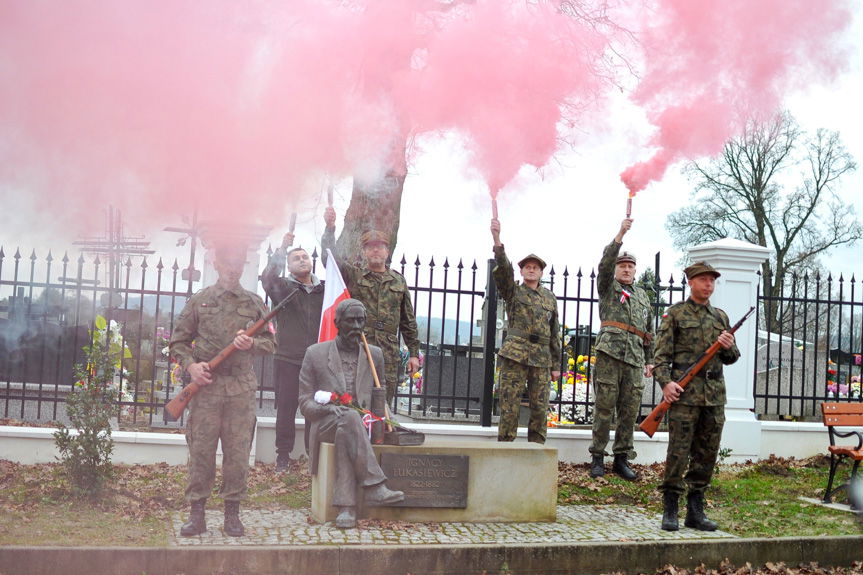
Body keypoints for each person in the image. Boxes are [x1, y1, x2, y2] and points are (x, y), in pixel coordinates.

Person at [170, 244, 277, 537]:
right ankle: (197, 514)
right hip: (206, 388)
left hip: (240, 388)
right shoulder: (200, 300)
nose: (233, 268)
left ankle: (232, 514)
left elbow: (271, 343)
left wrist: (252, 343)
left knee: (238, 453)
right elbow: (178, 342)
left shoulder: (254, 302)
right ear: (216, 264)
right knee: (201, 451)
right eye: (228, 262)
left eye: (238, 263)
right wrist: (192, 367)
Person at [299, 298, 405, 529]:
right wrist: (328, 408)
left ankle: (347, 508)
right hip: (326, 422)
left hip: (362, 425)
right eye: (350, 321)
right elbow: (304, 402)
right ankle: (374, 486)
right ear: (338, 322)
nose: (356, 326)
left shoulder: (374, 354)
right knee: (348, 418)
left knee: (348, 425)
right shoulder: (315, 354)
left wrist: (388, 422)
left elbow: (380, 396)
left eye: (360, 320)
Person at [652, 261, 740, 532]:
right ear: (691, 282)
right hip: (685, 396)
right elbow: (660, 357)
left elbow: (732, 358)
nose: (708, 285)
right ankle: (670, 509)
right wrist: (666, 384)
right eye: (703, 280)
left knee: (707, 454)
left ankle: (695, 511)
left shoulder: (720, 317)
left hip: (714, 398)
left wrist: (729, 346)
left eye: (712, 280)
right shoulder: (675, 314)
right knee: (678, 453)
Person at [321, 207, 421, 404]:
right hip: (359, 347)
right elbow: (329, 259)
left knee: (383, 400)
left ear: (387, 252)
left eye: (380, 246)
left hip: (388, 352)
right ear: (364, 252)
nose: (376, 250)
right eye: (371, 247)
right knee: (356, 397)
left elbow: (408, 321)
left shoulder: (398, 281)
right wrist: (330, 228)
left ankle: (380, 425)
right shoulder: (354, 275)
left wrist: (414, 354)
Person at [589, 218, 654, 480]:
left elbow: (649, 330)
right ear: (616, 269)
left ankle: (621, 459)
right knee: (604, 408)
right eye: (622, 266)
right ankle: (597, 457)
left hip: (635, 358)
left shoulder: (642, 296)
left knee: (629, 411)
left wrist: (650, 359)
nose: (626, 269)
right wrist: (620, 234)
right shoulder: (608, 287)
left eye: (630, 266)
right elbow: (604, 264)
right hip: (609, 354)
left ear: (635, 271)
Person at [490, 217, 561, 443]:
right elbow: (503, 271)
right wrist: (497, 239)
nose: (531, 270)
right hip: (515, 355)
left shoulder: (549, 298)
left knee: (540, 406)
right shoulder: (513, 291)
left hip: (541, 358)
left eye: (535, 267)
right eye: (527, 267)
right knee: (509, 403)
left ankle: (537, 450)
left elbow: (555, 332)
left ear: (541, 273)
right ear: (521, 271)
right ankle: (505, 448)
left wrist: (556, 365)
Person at [261, 232, 325, 471]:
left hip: (317, 360)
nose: (301, 260)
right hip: (288, 358)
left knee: (315, 409)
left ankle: (312, 453)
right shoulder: (283, 287)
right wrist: (281, 249)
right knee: (286, 408)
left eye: (304, 256)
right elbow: (268, 277)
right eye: (295, 258)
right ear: (288, 266)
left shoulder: (325, 290)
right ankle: (283, 456)